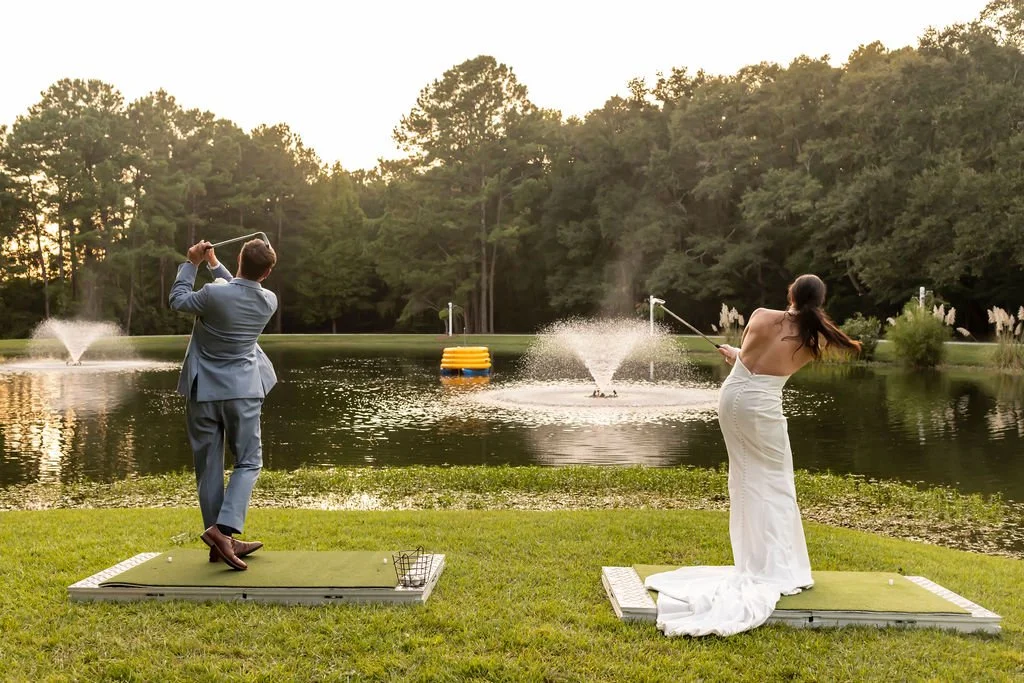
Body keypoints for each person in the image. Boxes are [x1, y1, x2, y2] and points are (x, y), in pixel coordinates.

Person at [646, 274, 860, 636]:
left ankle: (753, 562)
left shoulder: (761, 315)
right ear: (819, 302)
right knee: (775, 482)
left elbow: (749, 360)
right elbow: (772, 365)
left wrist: (735, 355)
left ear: (790, 293)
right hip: (762, 405)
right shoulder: (816, 339)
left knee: (745, 478)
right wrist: (742, 357)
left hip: (732, 400)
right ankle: (773, 566)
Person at [169, 238, 279, 570]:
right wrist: (214, 264)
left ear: (240, 258)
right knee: (249, 462)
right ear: (269, 271)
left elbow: (178, 300)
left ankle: (220, 535)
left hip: (203, 391)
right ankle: (224, 534)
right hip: (243, 390)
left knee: (209, 468)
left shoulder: (213, 295)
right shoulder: (269, 301)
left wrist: (193, 263)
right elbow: (243, 288)